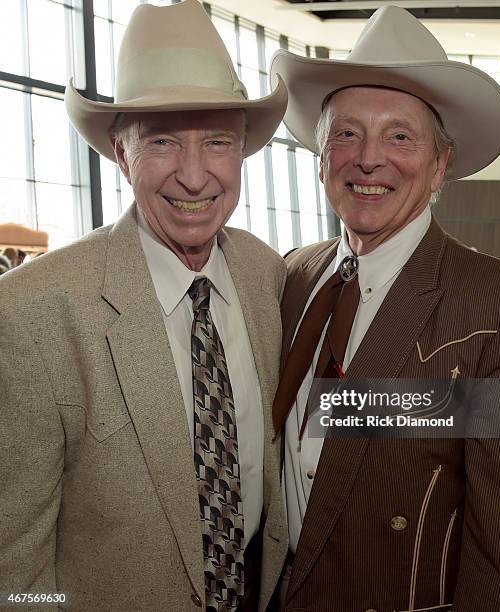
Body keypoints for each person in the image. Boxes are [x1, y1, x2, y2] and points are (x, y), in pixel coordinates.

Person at [0, 2, 288, 610]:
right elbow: (13, 571)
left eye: (216, 141)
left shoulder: (267, 276)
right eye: (161, 141)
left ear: (242, 151)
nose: (193, 176)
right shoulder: (34, 312)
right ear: (120, 152)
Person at [269, 6, 500, 611]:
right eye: (346, 134)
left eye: (399, 136)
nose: (369, 158)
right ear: (322, 160)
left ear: (439, 165)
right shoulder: (295, 277)